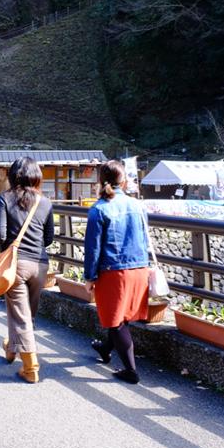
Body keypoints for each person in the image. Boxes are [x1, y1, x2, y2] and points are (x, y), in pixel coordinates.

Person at [83, 160, 150, 384]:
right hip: (139, 267)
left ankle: (131, 371)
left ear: (101, 180)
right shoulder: (138, 206)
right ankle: (104, 348)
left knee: (115, 320)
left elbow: (93, 248)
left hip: (114, 271)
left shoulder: (99, 209)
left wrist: (90, 277)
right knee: (120, 315)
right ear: (124, 180)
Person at [0, 157, 55, 383]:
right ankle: (11, 348)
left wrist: (8, 254)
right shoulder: (45, 202)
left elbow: (0, 235)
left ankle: (31, 369)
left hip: (17, 264)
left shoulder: (5, 198)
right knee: (26, 312)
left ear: (13, 175)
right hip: (40, 265)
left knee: (21, 316)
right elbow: (48, 237)